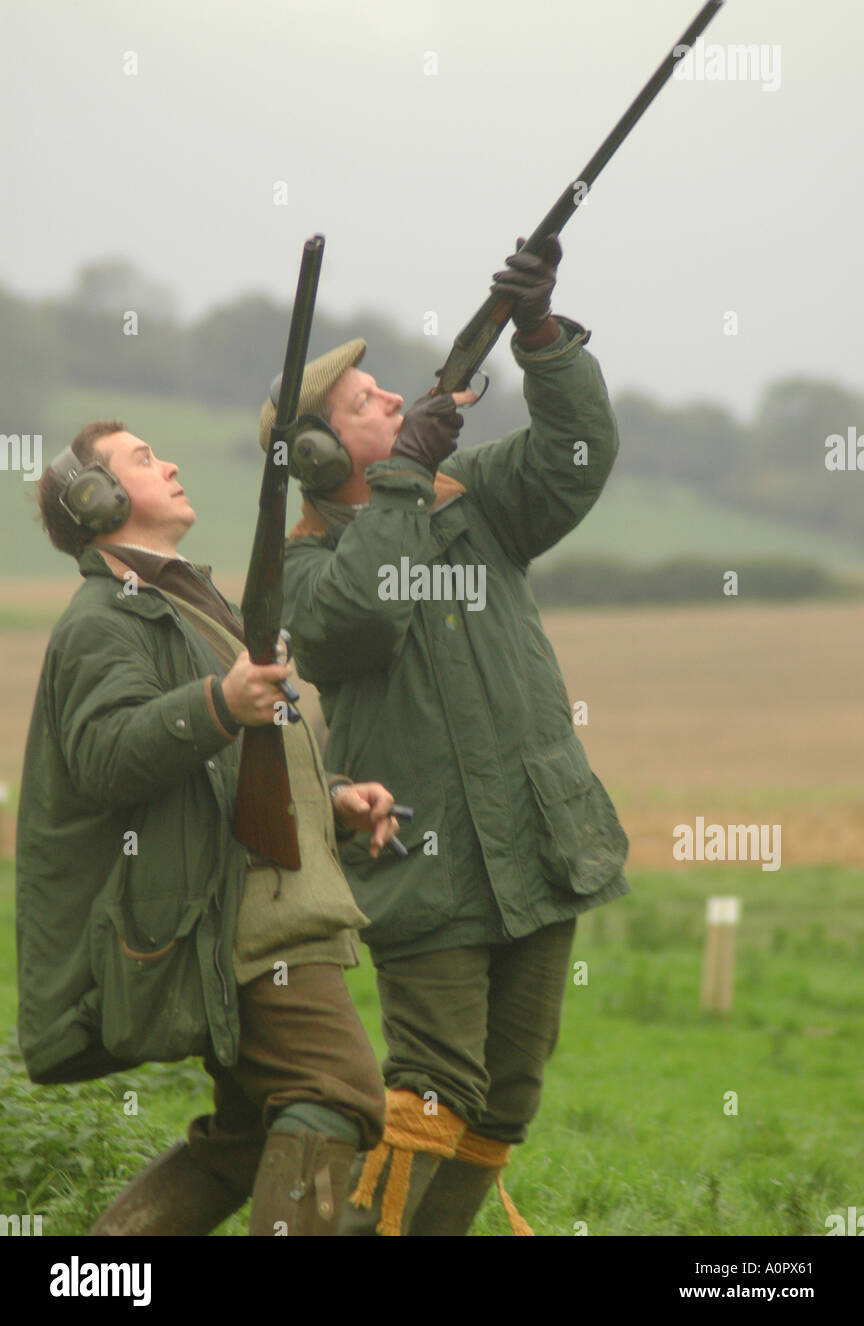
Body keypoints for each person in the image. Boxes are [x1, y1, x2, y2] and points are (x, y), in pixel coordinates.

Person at [256, 236, 631, 1236]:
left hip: (537, 840)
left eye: (389, 394)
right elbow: (361, 617)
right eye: (366, 402)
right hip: (424, 860)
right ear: (324, 456)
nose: (394, 403)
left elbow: (577, 456)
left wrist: (541, 335)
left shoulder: (477, 505)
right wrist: (407, 477)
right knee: (430, 1095)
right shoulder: (296, 573)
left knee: (506, 1099)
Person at [16, 420, 403, 1236]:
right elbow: (105, 757)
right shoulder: (106, 620)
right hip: (243, 920)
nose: (172, 463)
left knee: (250, 1134)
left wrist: (328, 795)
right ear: (98, 498)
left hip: (255, 896)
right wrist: (219, 703)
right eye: (144, 460)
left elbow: (227, 760)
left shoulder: (184, 602)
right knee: (338, 1093)